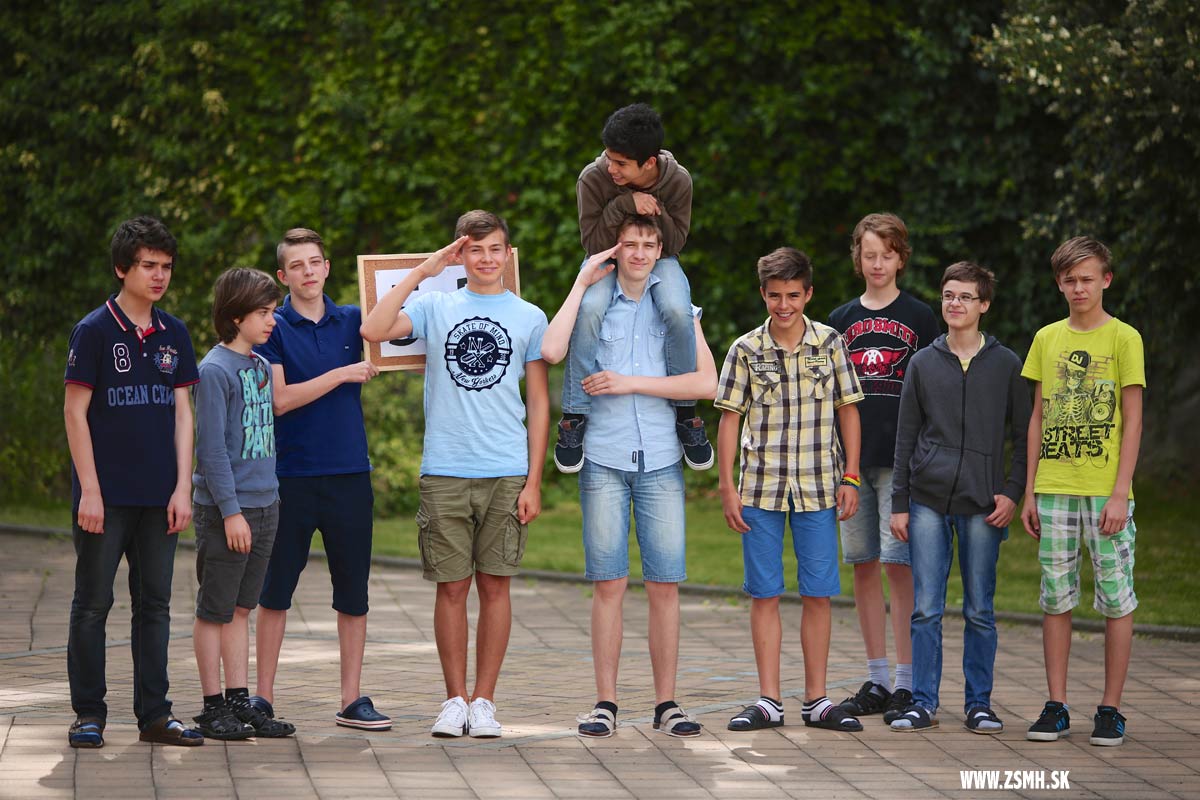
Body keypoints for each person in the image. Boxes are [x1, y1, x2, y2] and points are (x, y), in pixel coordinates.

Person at [360, 210, 549, 739]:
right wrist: (424, 272)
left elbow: (538, 402)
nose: (486, 259)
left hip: (506, 470)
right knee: (451, 589)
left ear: (507, 254)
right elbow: (373, 329)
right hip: (444, 468)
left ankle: (485, 702)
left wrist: (534, 480)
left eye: (495, 249)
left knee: (496, 587)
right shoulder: (435, 306)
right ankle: (454, 701)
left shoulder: (530, 316)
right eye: (475, 249)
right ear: (460, 255)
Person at [541, 214, 717, 738]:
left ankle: (668, 705)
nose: (639, 253)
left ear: (661, 251)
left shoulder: (679, 310)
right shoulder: (593, 306)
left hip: (661, 460)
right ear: (614, 249)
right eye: (630, 243)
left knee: (665, 587)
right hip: (602, 458)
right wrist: (580, 283)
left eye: (649, 244)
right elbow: (551, 351)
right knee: (609, 585)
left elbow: (706, 383)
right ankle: (605, 704)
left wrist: (630, 383)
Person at [63, 215, 204, 748]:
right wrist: (90, 490)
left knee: (155, 607)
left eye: (166, 266)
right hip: (105, 498)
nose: (159, 275)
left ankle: (155, 716)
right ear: (123, 269)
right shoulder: (94, 331)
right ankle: (88, 714)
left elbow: (183, 414)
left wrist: (182, 487)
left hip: (160, 497)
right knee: (92, 605)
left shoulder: (175, 333)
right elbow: (75, 413)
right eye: (148, 265)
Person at [716, 247, 865, 734]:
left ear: (809, 294)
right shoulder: (744, 350)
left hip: (820, 487)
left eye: (794, 296)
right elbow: (729, 420)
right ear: (763, 294)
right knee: (765, 593)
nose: (784, 305)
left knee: (818, 593)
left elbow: (848, 410)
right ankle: (769, 701)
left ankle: (817, 700)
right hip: (760, 490)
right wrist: (727, 487)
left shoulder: (830, 343)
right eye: (775, 296)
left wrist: (851, 476)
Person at [252, 228, 388, 731]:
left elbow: (401, 326)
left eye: (315, 262)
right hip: (290, 477)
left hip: (350, 474)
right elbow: (280, 400)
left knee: (353, 593)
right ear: (283, 276)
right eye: (297, 265)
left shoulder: (354, 320)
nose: (308, 272)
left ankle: (351, 699)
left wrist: (427, 269)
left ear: (327, 268)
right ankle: (262, 698)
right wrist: (343, 373)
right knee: (275, 591)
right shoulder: (272, 327)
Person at [887, 262, 1031, 733]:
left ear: (983, 304)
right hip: (927, 499)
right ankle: (922, 703)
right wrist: (900, 503)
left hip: (984, 502)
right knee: (926, 607)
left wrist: (1012, 492)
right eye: (949, 295)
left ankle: (979, 705)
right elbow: (905, 437)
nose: (955, 303)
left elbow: (1023, 435)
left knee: (979, 610)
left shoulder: (1007, 364)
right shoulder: (923, 363)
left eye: (966, 296)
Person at [1020, 237, 1144, 747]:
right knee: (1056, 597)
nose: (1078, 288)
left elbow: (1133, 420)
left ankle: (1110, 709)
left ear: (1105, 280)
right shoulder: (1046, 338)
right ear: (1059, 284)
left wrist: (1120, 492)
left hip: (1105, 491)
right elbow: (1037, 417)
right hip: (1053, 488)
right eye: (1069, 280)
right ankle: (1056, 705)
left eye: (1087, 279)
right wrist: (1029, 491)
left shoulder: (1124, 338)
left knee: (1115, 598)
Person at [555, 103, 712, 473]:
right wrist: (625, 203)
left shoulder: (678, 181)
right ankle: (575, 414)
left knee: (678, 310)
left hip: (659, 256)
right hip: (605, 254)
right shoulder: (592, 178)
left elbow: (674, 243)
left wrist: (653, 209)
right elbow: (591, 242)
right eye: (609, 158)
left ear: (649, 163)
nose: (611, 168)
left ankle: (685, 413)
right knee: (590, 308)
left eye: (621, 164)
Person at [827, 213, 939, 724]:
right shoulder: (840, 319)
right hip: (852, 462)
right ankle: (876, 678)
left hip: (901, 461)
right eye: (869, 255)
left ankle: (906, 681)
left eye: (886, 255)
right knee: (863, 564)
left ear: (901, 258)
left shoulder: (920, 317)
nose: (877, 264)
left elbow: (933, 392)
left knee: (899, 566)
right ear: (858, 257)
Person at [189, 268, 295, 740]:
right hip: (227, 512)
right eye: (264, 313)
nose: (272, 320)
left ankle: (238, 701)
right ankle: (212, 707)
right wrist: (231, 512)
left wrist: (267, 499)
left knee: (240, 609)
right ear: (236, 316)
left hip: (265, 504)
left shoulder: (259, 366)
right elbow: (211, 450)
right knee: (214, 609)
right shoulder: (214, 371)